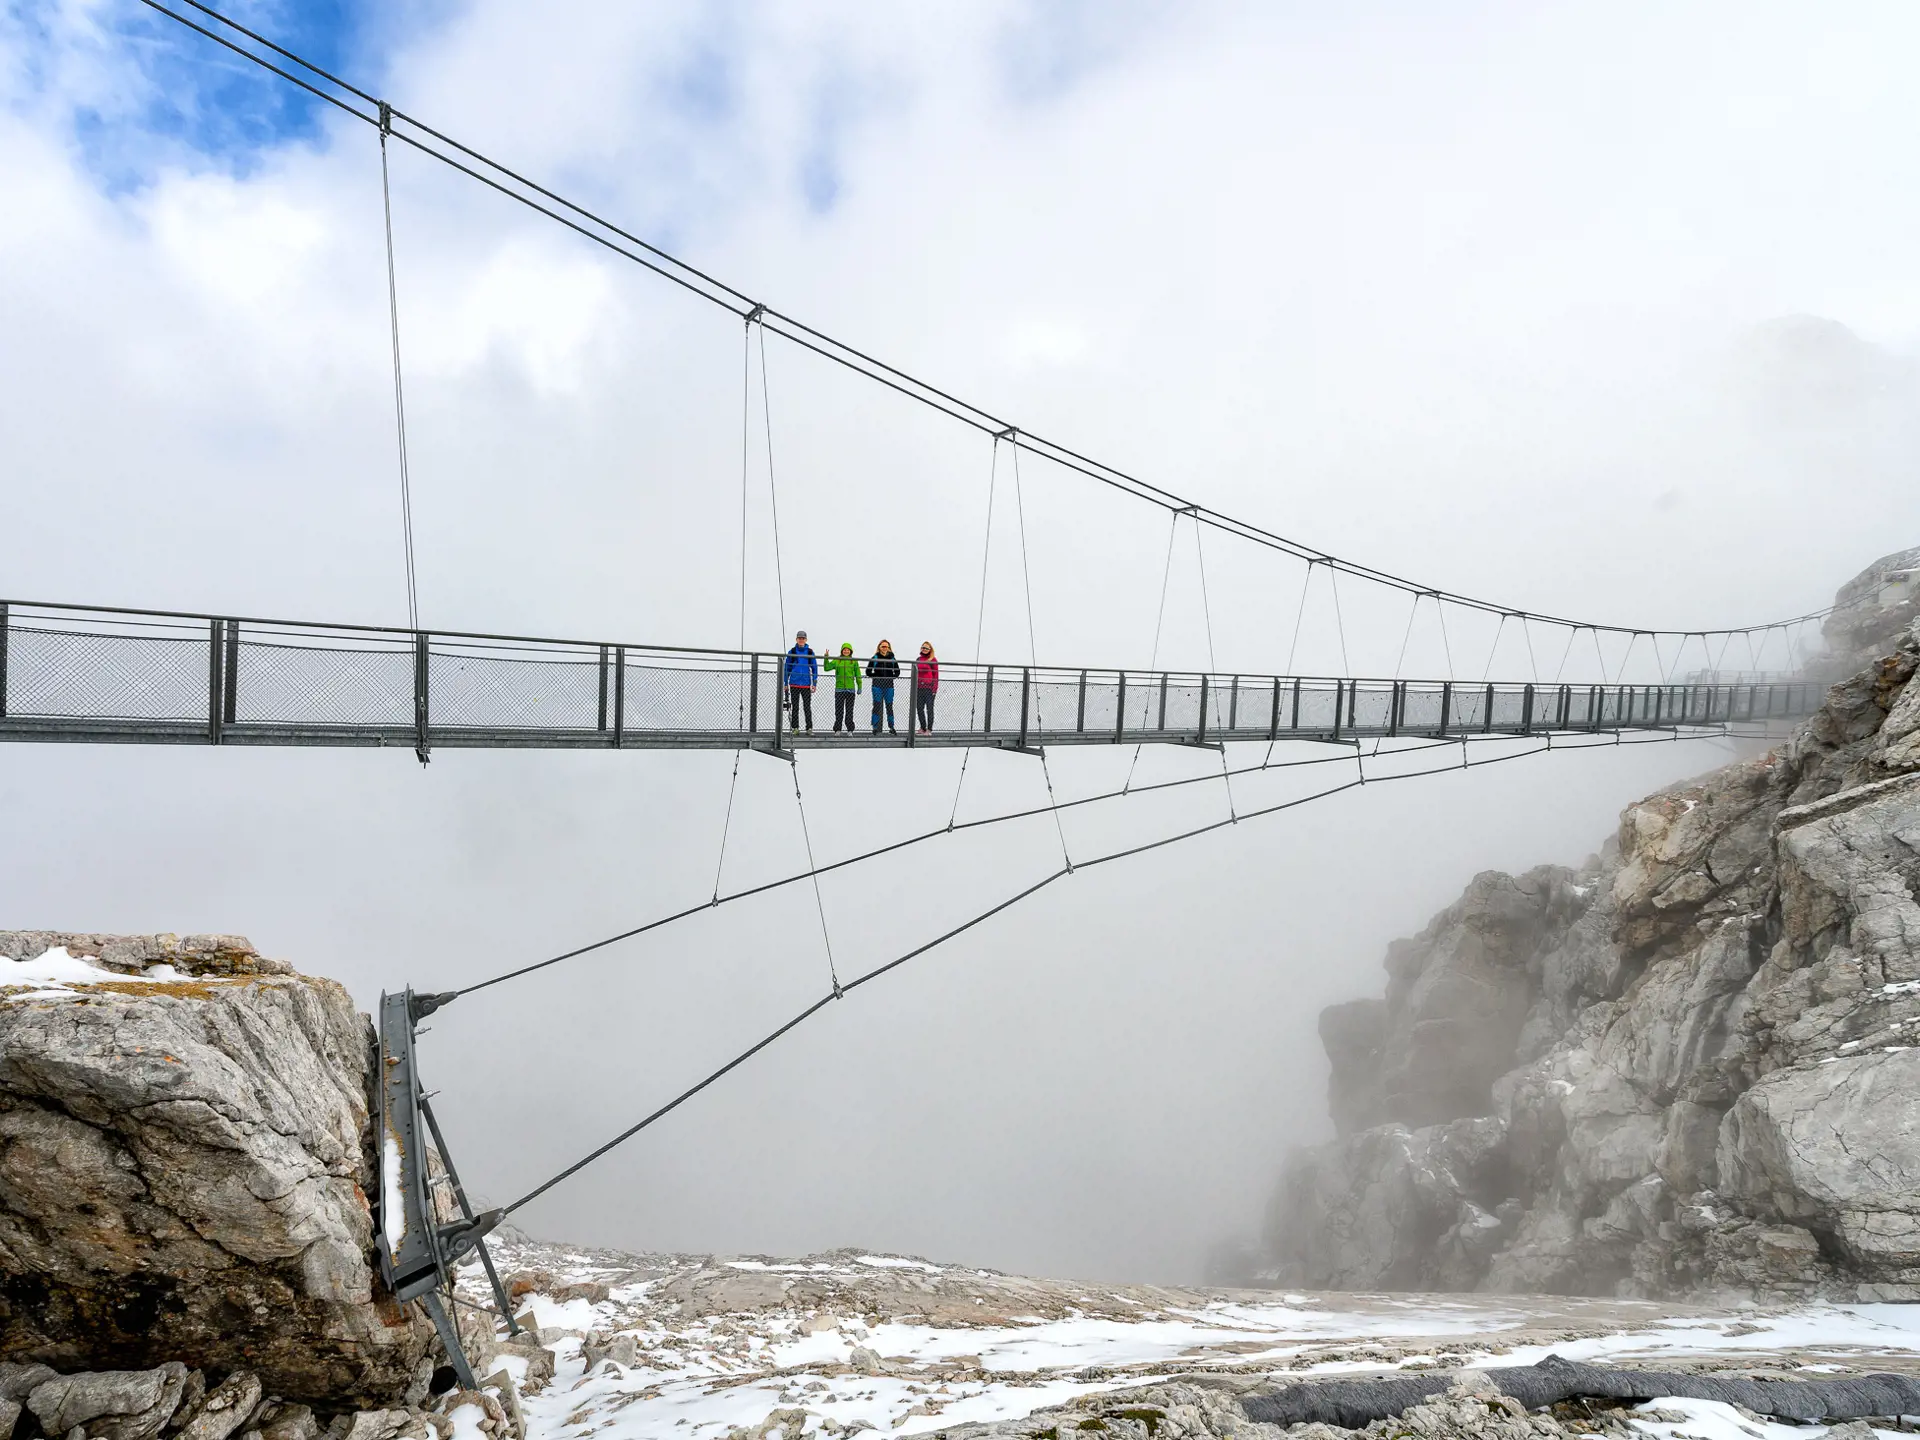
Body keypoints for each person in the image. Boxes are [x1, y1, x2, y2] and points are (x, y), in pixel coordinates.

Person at [784, 630, 818, 732]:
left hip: (806, 684)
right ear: (796, 639)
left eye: (803, 638)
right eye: (799, 638)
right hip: (794, 683)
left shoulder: (810, 652)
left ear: (806, 640)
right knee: (795, 707)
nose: (801, 640)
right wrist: (785, 683)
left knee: (807, 707)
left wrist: (814, 683)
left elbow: (814, 668)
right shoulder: (792, 652)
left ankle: (809, 728)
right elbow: (787, 668)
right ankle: (795, 728)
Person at [825, 643, 862, 733]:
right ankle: (838, 729)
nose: (846, 651)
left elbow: (858, 674)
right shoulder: (837, 660)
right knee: (839, 710)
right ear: (842, 651)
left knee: (849, 711)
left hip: (850, 689)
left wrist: (859, 686)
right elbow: (827, 668)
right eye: (844, 650)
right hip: (839, 689)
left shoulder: (854, 661)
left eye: (848, 650)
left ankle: (850, 729)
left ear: (850, 651)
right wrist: (826, 658)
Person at [865, 639, 900, 734]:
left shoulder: (892, 658)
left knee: (889, 706)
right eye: (883, 646)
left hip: (889, 686)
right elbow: (868, 671)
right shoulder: (875, 658)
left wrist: (890, 677)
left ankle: (891, 727)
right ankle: (875, 727)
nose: (885, 648)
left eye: (887, 646)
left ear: (889, 648)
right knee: (876, 705)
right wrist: (876, 676)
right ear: (879, 647)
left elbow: (897, 672)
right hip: (877, 686)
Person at [914, 641, 939, 734]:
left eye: (926, 648)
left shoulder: (933, 660)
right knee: (919, 708)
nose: (924, 649)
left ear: (930, 650)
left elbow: (935, 675)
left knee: (929, 709)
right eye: (923, 647)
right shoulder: (918, 659)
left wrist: (934, 689)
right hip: (919, 687)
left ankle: (929, 729)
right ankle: (923, 727)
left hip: (929, 688)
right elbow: (915, 672)